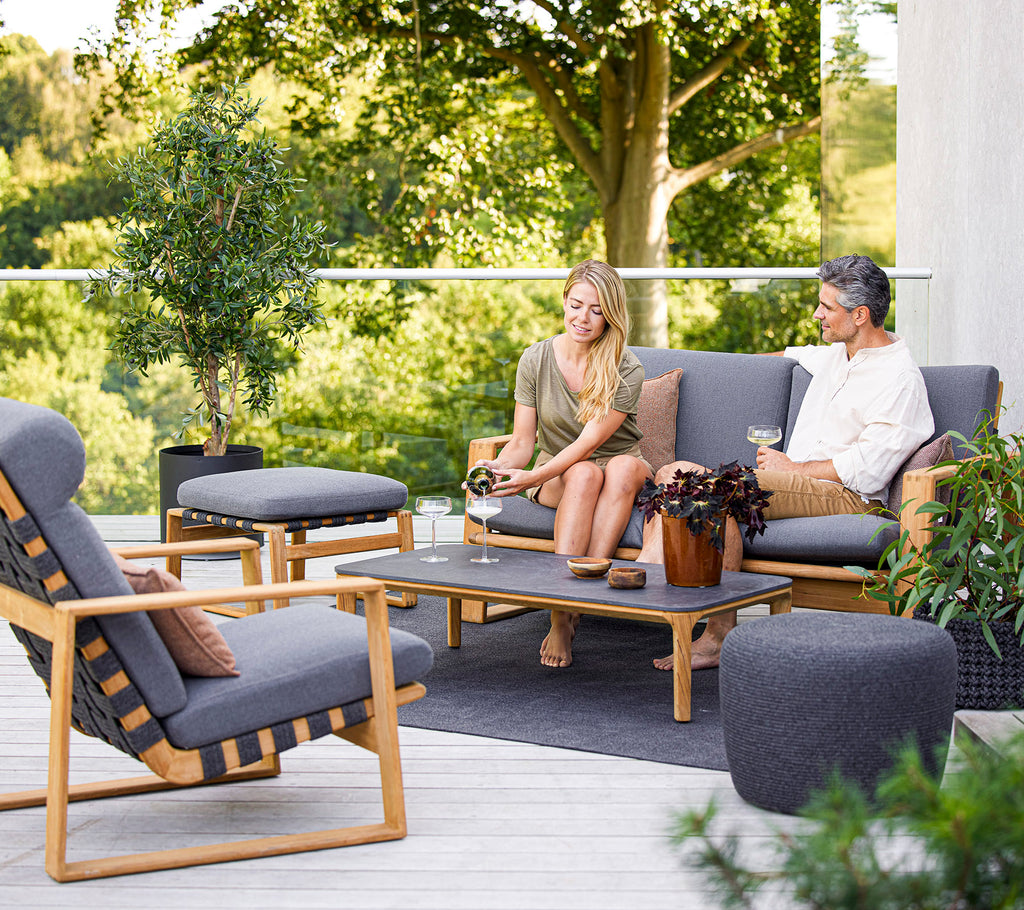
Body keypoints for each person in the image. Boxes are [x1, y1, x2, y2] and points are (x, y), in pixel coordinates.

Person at [638, 253, 935, 671]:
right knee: (675, 473)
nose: (818, 314)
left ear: (861, 314)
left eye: (827, 307)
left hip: (848, 496)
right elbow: (781, 357)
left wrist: (793, 469)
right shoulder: (838, 354)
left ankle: (674, 595)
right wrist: (726, 370)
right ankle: (673, 584)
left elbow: (868, 470)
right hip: (798, 483)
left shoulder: (899, 380)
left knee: (710, 485)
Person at [473, 259, 654, 668]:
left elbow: (591, 442)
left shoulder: (626, 367)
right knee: (584, 473)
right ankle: (561, 614)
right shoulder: (535, 359)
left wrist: (533, 476)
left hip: (619, 465)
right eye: (576, 305)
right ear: (564, 302)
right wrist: (496, 471)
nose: (583, 318)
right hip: (562, 468)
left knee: (618, 467)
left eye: (596, 310)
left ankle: (577, 605)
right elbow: (522, 442)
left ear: (611, 314)